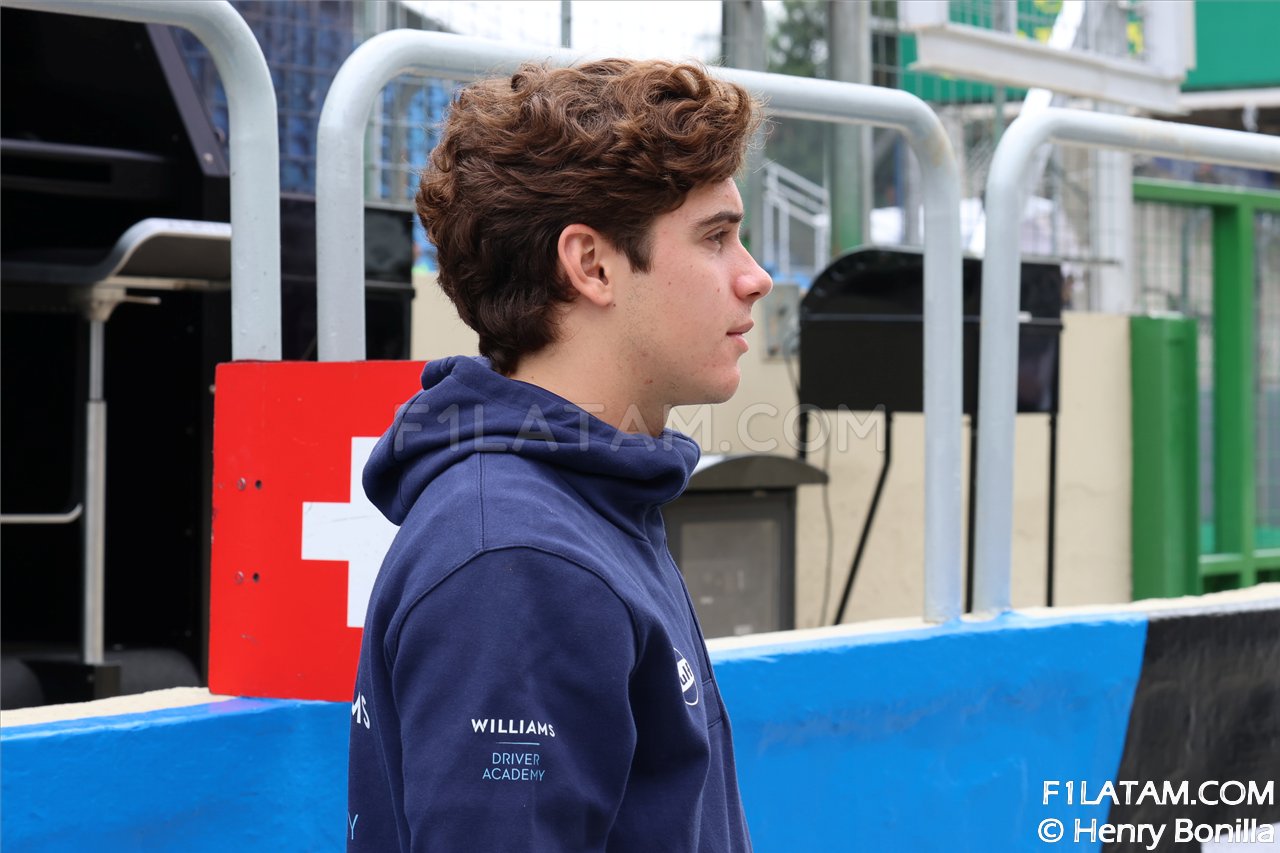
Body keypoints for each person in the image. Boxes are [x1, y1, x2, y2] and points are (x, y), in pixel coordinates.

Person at [347, 57, 773, 852]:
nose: (756, 278)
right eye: (716, 237)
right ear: (592, 265)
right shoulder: (519, 560)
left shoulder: (592, 504)